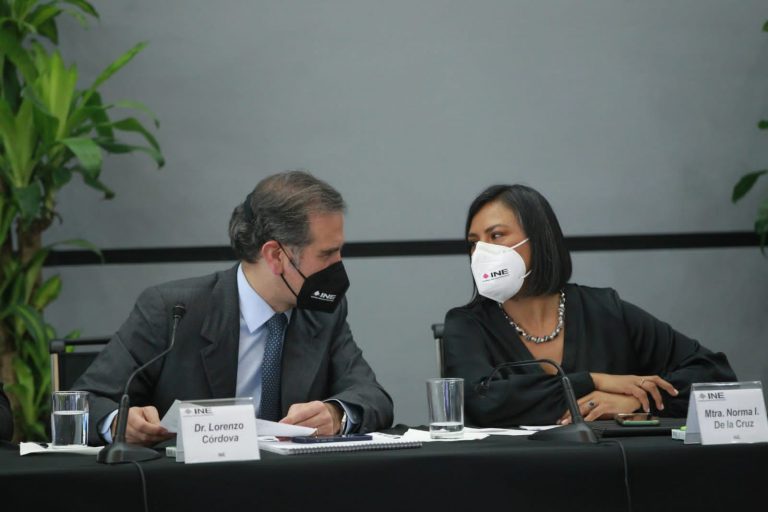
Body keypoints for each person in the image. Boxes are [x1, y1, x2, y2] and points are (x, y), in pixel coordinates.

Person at [74, 170, 393, 446]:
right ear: (275, 256)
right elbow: (83, 404)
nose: (339, 265)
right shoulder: (172, 310)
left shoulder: (322, 312)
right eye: (327, 254)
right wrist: (118, 422)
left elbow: (372, 395)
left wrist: (336, 414)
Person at [442, 184, 737, 427]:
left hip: (619, 479)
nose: (482, 252)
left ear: (540, 239)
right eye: (473, 243)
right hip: (512, 481)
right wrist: (593, 382)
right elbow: (480, 400)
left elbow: (714, 375)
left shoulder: (605, 310)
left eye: (496, 236)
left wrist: (635, 401)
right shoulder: (467, 324)